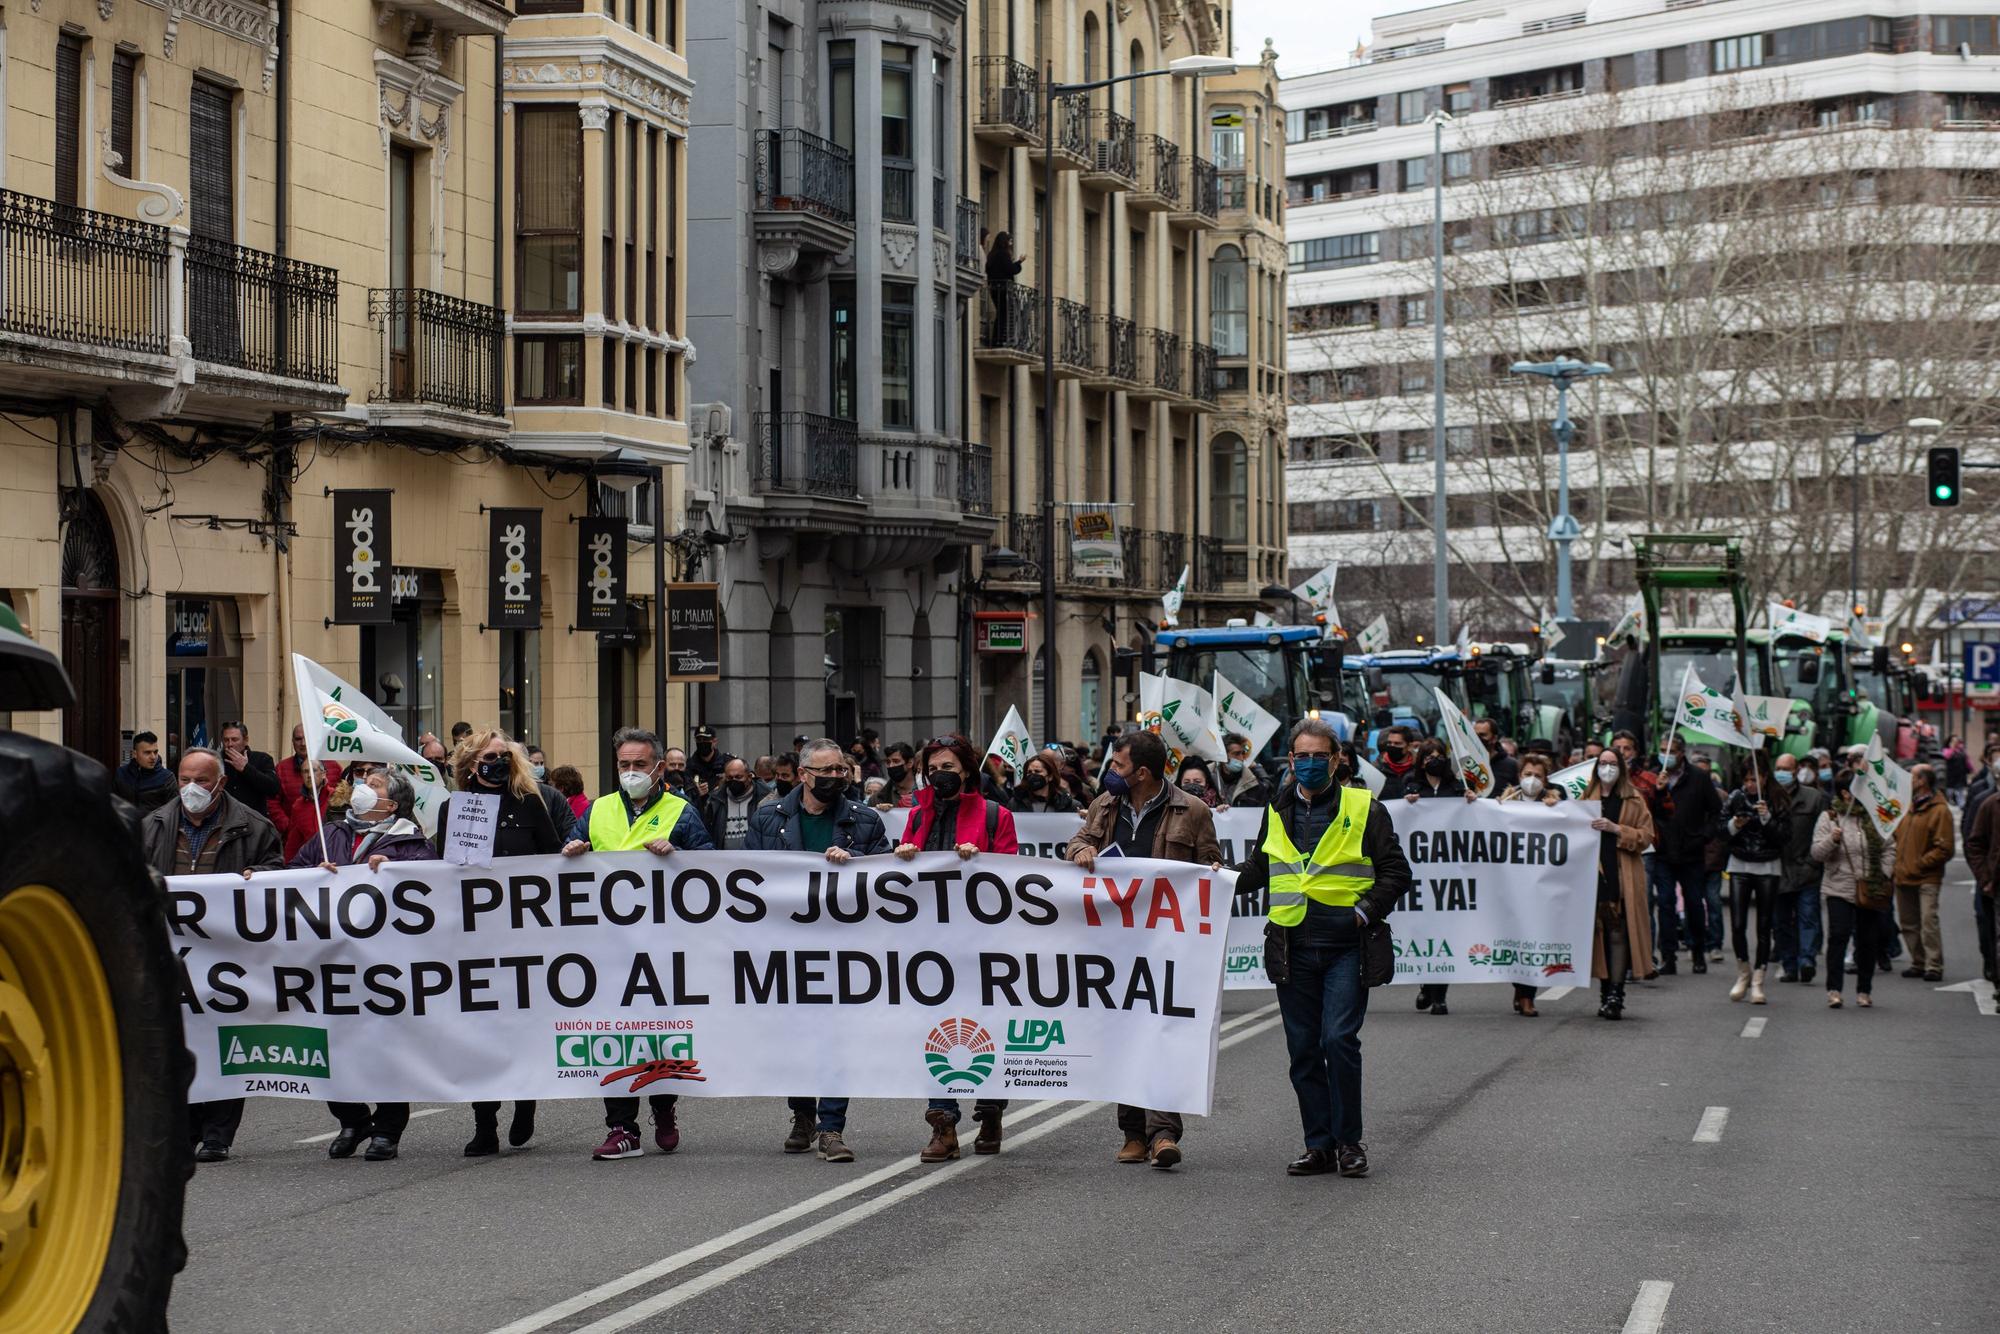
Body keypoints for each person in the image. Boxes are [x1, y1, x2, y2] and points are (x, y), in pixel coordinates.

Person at [1234, 719, 1408, 1178]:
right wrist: (1209, 878)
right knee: (1304, 1050)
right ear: (1290, 760)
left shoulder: (1364, 808)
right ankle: (1319, 1145)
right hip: (1292, 947)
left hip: (1346, 947)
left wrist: (1364, 912)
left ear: (1336, 760)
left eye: (1318, 756)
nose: (1309, 764)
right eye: (1301, 756)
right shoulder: (1277, 807)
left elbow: (1396, 872)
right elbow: (1258, 869)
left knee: (1338, 1041)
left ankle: (1350, 1142)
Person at [1065, 730, 1222, 1170]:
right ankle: (1133, 1131)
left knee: (1160, 1030)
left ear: (1144, 773)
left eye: (1118, 765)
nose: (1110, 771)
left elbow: (1212, 866)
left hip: (1166, 941)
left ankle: (1164, 1132)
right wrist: (1081, 852)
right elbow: (1077, 841)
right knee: (1122, 1031)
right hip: (1114, 941)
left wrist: (1210, 871)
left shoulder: (1191, 811)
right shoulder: (1105, 805)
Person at [561, 727, 714, 1159]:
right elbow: (568, 852)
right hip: (608, 948)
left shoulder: (681, 812)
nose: (631, 772)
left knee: (658, 1037)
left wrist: (679, 855)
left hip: (662, 947)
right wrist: (572, 848)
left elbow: (711, 866)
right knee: (616, 1035)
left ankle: (663, 1107)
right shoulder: (598, 810)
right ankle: (621, 1127)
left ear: (659, 768)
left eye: (640, 765)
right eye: (624, 765)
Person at [749, 738, 892, 1163]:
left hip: (843, 947)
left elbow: (884, 878)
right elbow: (748, 877)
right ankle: (802, 1114)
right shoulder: (766, 819)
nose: (835, 778)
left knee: (835, 1037)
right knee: (793, 1034)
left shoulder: (864, 821)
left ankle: (832, 1127)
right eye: (826, 771)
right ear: (804, 774)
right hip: (786, 946)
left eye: (841, 771)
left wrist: (855, 862)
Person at [140, 747, 283, 1162]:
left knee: (226, 1042)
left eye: (201, 781)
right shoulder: (153, 825)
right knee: (180, 1042)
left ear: (220, 782)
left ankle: (218, 1133)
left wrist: (261, 877)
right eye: (184, 779)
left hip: (229, 958)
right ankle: (184, 1129)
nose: (191, 788)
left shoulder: (252, 827)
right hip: (173, 957)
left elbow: (280, 874)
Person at [288, 768, 431, 1160]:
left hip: (385, 965)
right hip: (331, 961)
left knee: (385, 1046)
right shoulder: (331, 833)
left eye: (376, 784)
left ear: (393, 802)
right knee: (332, 1043)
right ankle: (351, 1118)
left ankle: (387, 1128)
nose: (365, 788)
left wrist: (397, 872)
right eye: (364, 781)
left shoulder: (410, 842)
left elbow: (433, 888)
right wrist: (311, 876)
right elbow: (292, 873)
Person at [440, 729, 568, 1155]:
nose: (495, 762)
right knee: (481, 1031)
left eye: (502, 755)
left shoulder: (530, 803)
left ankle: (525, 1100)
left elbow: (551, 858)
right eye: (487, 756)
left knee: (520, 1026)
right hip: (477, 940)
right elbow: (438, 869)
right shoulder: (454, 809)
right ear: (471, 763)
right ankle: (484, 1123)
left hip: (524, 937)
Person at [893, 734, 1020, 1161]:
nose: (939, 774)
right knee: (937, 1030)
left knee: (986, 1028)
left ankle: (990, 1111)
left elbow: (1013, 875)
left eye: (948, 767)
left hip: (983, 945)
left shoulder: (993, 814)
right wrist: (904, 855)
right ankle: (942, 1123)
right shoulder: (915, 816)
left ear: (966, 770)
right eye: (933, 767)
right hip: (929, 944)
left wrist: (980, 860)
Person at [1393, 737, 1475, 1016]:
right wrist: (1407, 803)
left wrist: (1471, 801)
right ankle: (1427, 986)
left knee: (1445, 932)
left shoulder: (1456, 786)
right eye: (1429, 756)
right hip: (1420, 874)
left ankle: (1440, 996)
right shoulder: (1410, 783)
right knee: (1425, 930)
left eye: (1439, 754)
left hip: (1449, 874)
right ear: (1421, 760)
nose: (1434, 760)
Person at [1583, 747, 1657, 1020]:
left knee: (1618, 934)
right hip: (1593, 874)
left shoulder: (1634, 799)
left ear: (1622, 769)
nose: (1607, 768)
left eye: (1613, 763)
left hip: (1622, 874)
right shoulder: (1584, 797)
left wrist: (1617, 829)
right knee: (1599, 936)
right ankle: (1605, 992)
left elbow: (1646, 837)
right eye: (1603, 763)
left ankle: (1616, 993)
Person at [1814, 780, 1895, 1007]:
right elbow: (1816, 853)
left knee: (1867, 939)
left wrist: (1883, 873)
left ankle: (1864, 990)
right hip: (1838, 887)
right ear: (1845, 793)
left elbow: (1890, 848)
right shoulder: (1829, 818)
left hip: (1870, 888)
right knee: (1838, 936)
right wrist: (1833, 840)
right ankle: (1834, 990)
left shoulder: (1877, 817)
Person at [1496, 753, 1563, 1017]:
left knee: (1535, 935)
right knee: (1515, 937)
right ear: (1519, 776)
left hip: (1541, 884)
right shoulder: (1504, 802)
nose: (1532, 780)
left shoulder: (1556, 803)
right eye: (1527, 775)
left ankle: (1527, 996)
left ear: (1546, 779)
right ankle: (1520, 987)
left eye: (1538, 775)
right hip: (1511, 884)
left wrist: (1556, 810)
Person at [1646, 736, 1717, 977]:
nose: (1666, 754)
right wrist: (1658, 791)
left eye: (1672, 751)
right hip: (1664, 852)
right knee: (1665, 903)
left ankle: (1697, 950)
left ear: (1682, 752)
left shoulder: (1698, 777)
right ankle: (1668, 955)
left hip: (1691, 852)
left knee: (1694, 904)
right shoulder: (1654, 775)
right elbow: (1647, 811)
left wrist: (1703, 837)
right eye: (1663, 750)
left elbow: (1716, 812)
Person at [1722, 754, 1790, 1004]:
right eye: (1747, 779)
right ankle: (1743, 973)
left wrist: (1767, 819)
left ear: (1764, 777)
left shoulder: (1778, 798)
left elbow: (1784, 837)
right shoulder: (1736, 797)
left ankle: (1759, 980)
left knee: (1764, 925)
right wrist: (1735, 824)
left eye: (1756, 778)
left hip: (1768, 865)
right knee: (1738, 923)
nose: (1751, 784)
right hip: (1740, 863)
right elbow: (1720, 830)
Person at [1892, 763, 1954, 982]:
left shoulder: (1940, 810)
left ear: (1922, 781)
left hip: (1927, 876)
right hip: (1902, 875)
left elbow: (1945, 848)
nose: (1908, 780)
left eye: (1912, 776)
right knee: (1908, 923)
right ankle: (1918, 962)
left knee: (1928, 921)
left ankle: (1933, 965)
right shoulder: (1906, 807)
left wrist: (1919, 863)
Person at [1773, 754, 1826, 984]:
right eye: (1778, 768)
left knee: (1808, 918)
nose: (1781, 772)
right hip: (1778, 870)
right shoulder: (1769, 798)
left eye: (1785, 768)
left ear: (1795, 771)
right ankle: (1789, 965)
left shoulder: (1814, 798)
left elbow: (1824, 831)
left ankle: (1807, 961)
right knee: (1781, 922)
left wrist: (1813, 862)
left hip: (1806, 869)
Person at [1964, 739, 2000, 984]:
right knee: (1990, 927)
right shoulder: (1986, 802)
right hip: (1995, 880)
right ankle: (1994, 970)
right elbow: (1973, 842)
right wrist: (1984, 877)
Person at [274, 749, 336, 865]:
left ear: (323, 774)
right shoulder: (298, 806)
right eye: (305, 771)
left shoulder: (335, 799)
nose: (309, 775)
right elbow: (293, 842)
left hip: (335, 861)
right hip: (311, 863)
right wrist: (288, 866)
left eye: (314, 771)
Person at [216, 721, 281, 817]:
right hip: (223, 819)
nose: (230, 744)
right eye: (226, 740)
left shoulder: (262, 759)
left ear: (245, 740)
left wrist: (246, 768)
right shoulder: (215, 761)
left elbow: (273, 788)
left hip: (253, 821)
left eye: (234, 740)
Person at [703, 755, 770, 849]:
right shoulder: (715, 801)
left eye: (738, 777)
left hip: (756, 859)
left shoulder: (764, 798)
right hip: (724, 860)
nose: (734, 781)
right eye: (730, 778)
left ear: (749, 777)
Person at [114, 730, 177, 811]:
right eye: (147, 753)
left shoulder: (167, 778)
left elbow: (174, 812)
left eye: (155, 752)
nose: (153, 757)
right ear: (135, 754)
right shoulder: (121, 774)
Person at [1009, 748, 1078, 814]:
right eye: (1029, 772)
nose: (1033, 775)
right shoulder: (1015, 804)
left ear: (1050, 776)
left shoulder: (1068, 804)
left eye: (1037, 771)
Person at [986, 231, 1025, 342]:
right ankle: (999, 339)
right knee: (1004, 314)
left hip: (993, 288)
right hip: (1002, 288)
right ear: (1005, 241)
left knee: (1001, 313)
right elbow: (1010, 270)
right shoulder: (1003, 254)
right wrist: (1019, 262)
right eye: (1010, 241)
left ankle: (997, 338)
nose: (1011, 244)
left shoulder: (992, 254)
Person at [1219, 733, 1271, 807]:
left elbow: (1267, 791)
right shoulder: (1210, 777)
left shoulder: (1253, 780)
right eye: (1236, 754)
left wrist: (1257, 768)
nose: (1241, 758)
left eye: (1243, 753)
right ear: (1224, 755)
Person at [1473, 717, 1520, 792]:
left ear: (1494, 738)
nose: (1477, 739)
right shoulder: (1465, 762)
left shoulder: (1511, 765)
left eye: (1482, 735)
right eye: (1474, 735)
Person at [875, 742, 920, 809]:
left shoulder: (925, 792)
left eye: (896, 761)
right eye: (888, 762)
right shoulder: (878, 798)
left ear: (910, 763)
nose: (891, 766)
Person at [1373, 725, 1417, 793]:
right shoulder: (1376, 769)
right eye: (1389, 743)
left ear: (1409, 746)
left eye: (1397, 743)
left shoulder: (1418, 769)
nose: (1392, 746)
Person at [1943, 735, 1969, 806]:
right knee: (1950, 793)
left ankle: (1962, 807)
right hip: (1951, 776)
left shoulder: (1961, 751)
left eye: (1956, 741)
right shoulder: (1946, 750)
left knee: (1960, 793)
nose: (1955, 743)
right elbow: (1946, 756)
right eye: (1953, 741)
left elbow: (1967, 761)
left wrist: (1971, 768)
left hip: (1960, 775)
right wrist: (1952, 748)